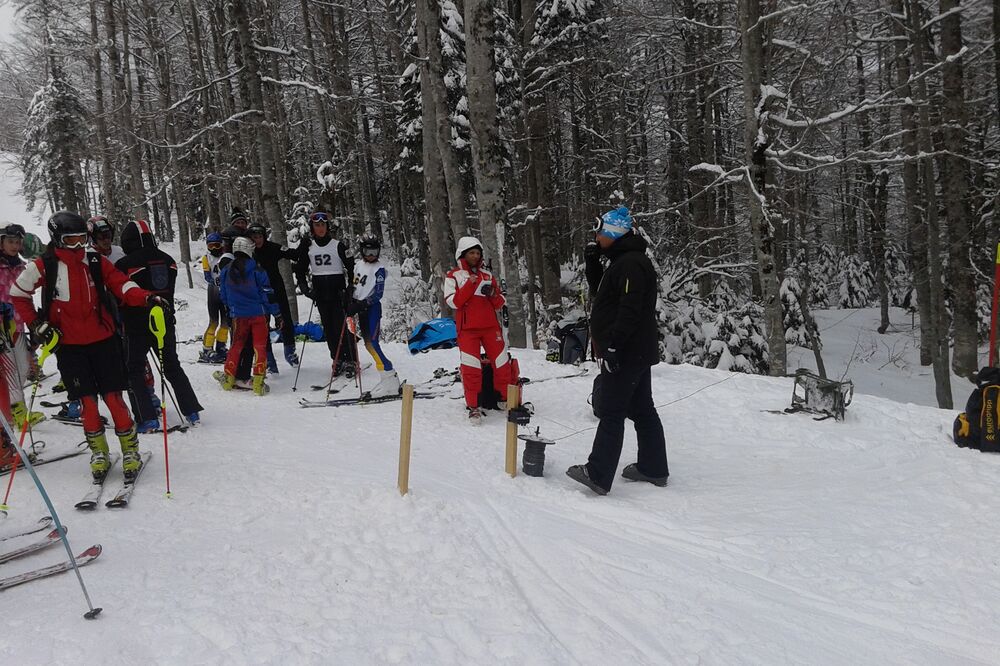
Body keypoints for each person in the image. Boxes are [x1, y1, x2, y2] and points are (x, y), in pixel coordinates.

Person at [9, 211, 169, 481]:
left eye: (82, 239)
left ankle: (130, 450)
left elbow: (123, 285)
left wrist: (147, 297)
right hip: (69, 346)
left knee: (114, 398)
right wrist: (37, 324)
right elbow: (18, 294)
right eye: (71, 240)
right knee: (87, 402)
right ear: (58, 239)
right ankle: (99, 452)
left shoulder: (95, 261)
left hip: (103, 342)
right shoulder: (44, 265)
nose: (78, 246)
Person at [566, 207, 669, 495]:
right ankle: (653, 468)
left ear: (613, 232)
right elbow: (605, 294)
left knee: (611, 410)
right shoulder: (623, 261)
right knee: (642, 409)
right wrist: (593, 265)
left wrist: (613, 346)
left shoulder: (631, 264)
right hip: (633, 350)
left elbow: (629, 310)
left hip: (626, 351)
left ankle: (598, 474)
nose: (596, 237)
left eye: (600, 231)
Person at [115, 220, 203, 430]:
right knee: (172, 366)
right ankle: (191, 411)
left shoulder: (124, 264)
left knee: (134, 370)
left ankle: (147, 418)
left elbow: (119, 295)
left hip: (136, 326)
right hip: (164, 322)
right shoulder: (168, 260)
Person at [443, 236, 510, 425]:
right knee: (472, 368)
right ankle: (473, 407)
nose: (475, 256)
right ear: (463, 254)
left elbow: (499, 303)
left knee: (502, 364)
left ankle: (506, 400)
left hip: (490, 327)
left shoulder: (487, 276)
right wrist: (471, 284)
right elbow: (453, 302)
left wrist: (493, 294)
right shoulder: (453, 276)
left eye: (478, 253)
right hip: (467, 330)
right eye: (471, 252)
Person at [293, 211, 356, 377]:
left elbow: (352, 268)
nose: (320, 228)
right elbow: (300, 269)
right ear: (313, 228)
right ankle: (337, 359)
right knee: (328, 329)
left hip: (337, 293)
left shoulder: (338, 245)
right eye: (317, 225)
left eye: (322, 225)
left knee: (340, 326)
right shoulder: (309, 247)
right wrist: (305, 289)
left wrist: (350, 288)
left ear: (327, 227)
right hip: (321, 294)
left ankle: (350, 359)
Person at [217, 236, 277, 396]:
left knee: (237, 346)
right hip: (258, 314)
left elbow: (223, 294)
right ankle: (258, 381)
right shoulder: (257, 269)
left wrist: (231, 308)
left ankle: (229, 377)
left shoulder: (226, 270)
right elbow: (267, 292)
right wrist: (275, 311)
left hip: (238, 315)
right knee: (260, 346)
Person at [0, 223, 44, 428]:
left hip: (18, 324)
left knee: (23, 367)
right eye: (10, 241)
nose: (14, 246)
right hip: (2, 327)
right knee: (10, 371)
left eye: (17, 242)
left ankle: (17, 409)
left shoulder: (20, 266)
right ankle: (18, 413)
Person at [348, 235, 399, 398]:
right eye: (367, 251)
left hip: (372, 309)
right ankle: (387, 378)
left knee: (374, 343)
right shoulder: (359, 265)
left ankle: (389, 376)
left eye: (374, 251)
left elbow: (378, 294)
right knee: (368, 345)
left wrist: (361, 304)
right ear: (362, 251)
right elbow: (356, 284)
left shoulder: (379, 270)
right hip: (360, 309)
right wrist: (350, 296)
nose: (371, 255)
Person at [248, 223, 299, 368]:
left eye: (259, 237)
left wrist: (305, 246)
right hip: (258, 294)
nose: (256, 240)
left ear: (264, 236)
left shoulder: (272, 247)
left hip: (276, 289)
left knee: (285, 321)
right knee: (262, 326)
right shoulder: (248, 252)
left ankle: (290, 351)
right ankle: (269, 361)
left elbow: (291, 254)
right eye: (253, 238)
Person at [199, 232, 230, 363]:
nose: (214, 249)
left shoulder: (226, 256)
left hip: (226, 291)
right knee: (214, 321)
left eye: (216, 245)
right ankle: (207, 348)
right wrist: (214, 281)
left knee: (225, 322)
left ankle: (221, 346)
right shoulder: (207, 258)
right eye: (211, 246)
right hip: (214, 291)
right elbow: (207, 275)